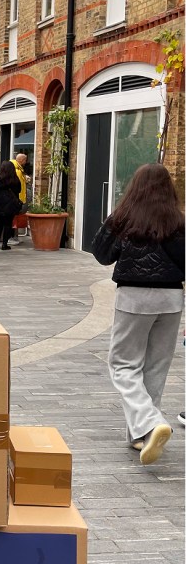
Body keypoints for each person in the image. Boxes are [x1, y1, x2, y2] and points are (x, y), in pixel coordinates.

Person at [92, 163, 185, 464]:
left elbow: (101, 254)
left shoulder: (124, 217)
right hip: (171, 299)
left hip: (134, 297)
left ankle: (150, 423)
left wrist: (112, 221)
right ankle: (141, 435)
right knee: (156, 367)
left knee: (123, 364)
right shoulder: (178, 221)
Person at [0, 160, 23, 250]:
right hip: (11, 204)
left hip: (0, 204)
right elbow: (19, 191)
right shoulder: (15, 180)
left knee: (0, 223)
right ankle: (5, 244)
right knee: (8, 223)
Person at [9, 153, 29, 244]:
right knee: (14, 218)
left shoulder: (18, 169)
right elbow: (18, 186)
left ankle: (14, 237)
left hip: (17, 198)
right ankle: (12, 237)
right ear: (21, 160)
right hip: (18, 198)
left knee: (14, 218)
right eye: (25, 160)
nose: (26, 162)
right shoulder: (17, 171)